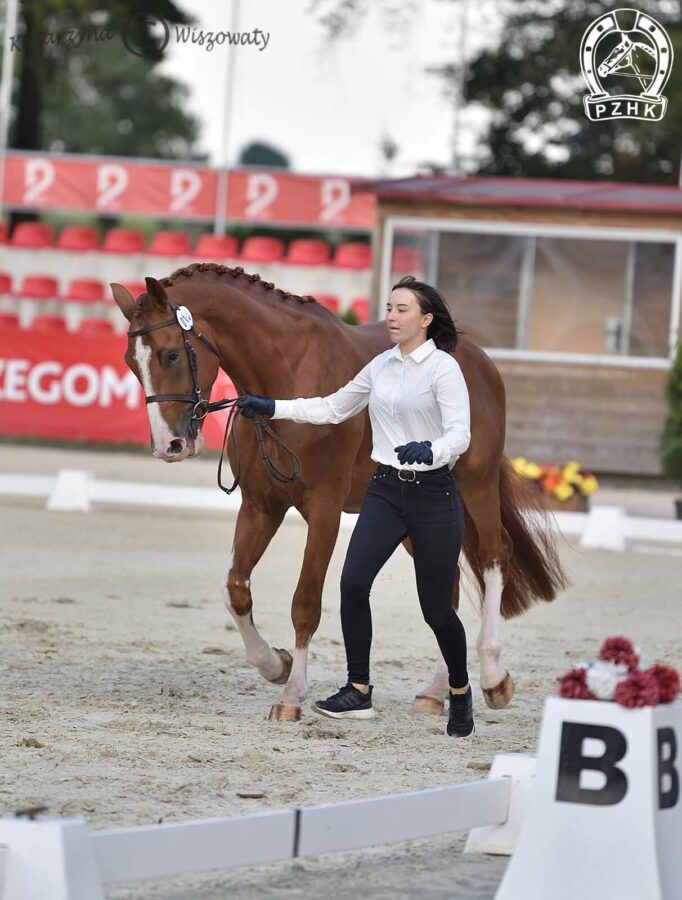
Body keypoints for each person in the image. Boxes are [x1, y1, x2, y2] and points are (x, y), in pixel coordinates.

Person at [236, 275, 473, 737]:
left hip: (432, 494)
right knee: (352, 584)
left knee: (436, 610)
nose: (391, 316)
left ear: (426, 319)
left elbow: (460, 433)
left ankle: (461, 692)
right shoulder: (380, 365)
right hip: (384, 490)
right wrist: (271, 406)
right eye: (389, 307)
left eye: (402, 309)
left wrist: (433, 450)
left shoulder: (444, 369)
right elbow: (331, 408)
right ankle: (359, 689)